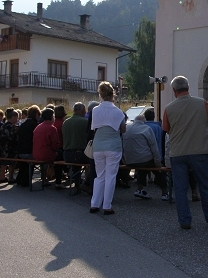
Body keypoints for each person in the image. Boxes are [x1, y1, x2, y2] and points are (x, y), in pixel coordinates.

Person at [162, 75, 208, 229]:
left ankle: (185, 221)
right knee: (205, 186)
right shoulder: (203, 104)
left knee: (180, 189)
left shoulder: (168, 108)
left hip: (178, 152)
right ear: (188, 87)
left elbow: (166, 129)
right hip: (199, 150)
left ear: (174, 91)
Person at [90, 82, 126, 215]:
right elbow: (123, 129)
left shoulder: (95, 110)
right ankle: (107, 205)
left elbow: (94, 127)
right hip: (113, 145)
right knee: (111, 176)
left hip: (98, 145)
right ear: (113, 95)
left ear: (101, 94)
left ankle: (94, 203)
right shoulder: (118, 112)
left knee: (100, 176)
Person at [123, 114, 165, 200]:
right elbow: (154, 147)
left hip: (129, 160)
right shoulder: (147, 129)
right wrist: (158, 163)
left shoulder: (127, 129)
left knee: (142, 165)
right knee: (156, 169)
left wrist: (124, 160)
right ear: (144, 121)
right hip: (144, 160)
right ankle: (165, 192)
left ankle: (140, 189)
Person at [62, 102, 90, 191]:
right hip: (80, 155)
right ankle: (87, 183)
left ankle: (77, 182)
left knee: (76, 165)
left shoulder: (65, 122)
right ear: (82, 111)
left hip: (67, 155)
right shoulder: (85, 122)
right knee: (95, 161)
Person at [32, 108, 60, 184]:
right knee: (60, 156)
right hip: (46, 154)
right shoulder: (52, 128)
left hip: (36, 153)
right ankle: (58, 180)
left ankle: (47, 176)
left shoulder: (38, 127)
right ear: (51, 117)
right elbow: (55, 145)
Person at [16, 105, 41, 186]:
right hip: (30, 151)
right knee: (29, 166)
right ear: (36, 114)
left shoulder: (23, 124)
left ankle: (20, 180)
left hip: (21, 151)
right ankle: (25, 181)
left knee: (23, 167)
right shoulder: (36, 125)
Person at [0, 108, 19, 183]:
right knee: (12, 161)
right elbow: (16, 139)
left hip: (3, 147)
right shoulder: (13, 127)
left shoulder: (2, 126)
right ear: (13, 117)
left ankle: (2, 176)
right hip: (11, 148)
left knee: (3, 160)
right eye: (17, 118)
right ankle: (10, 177)